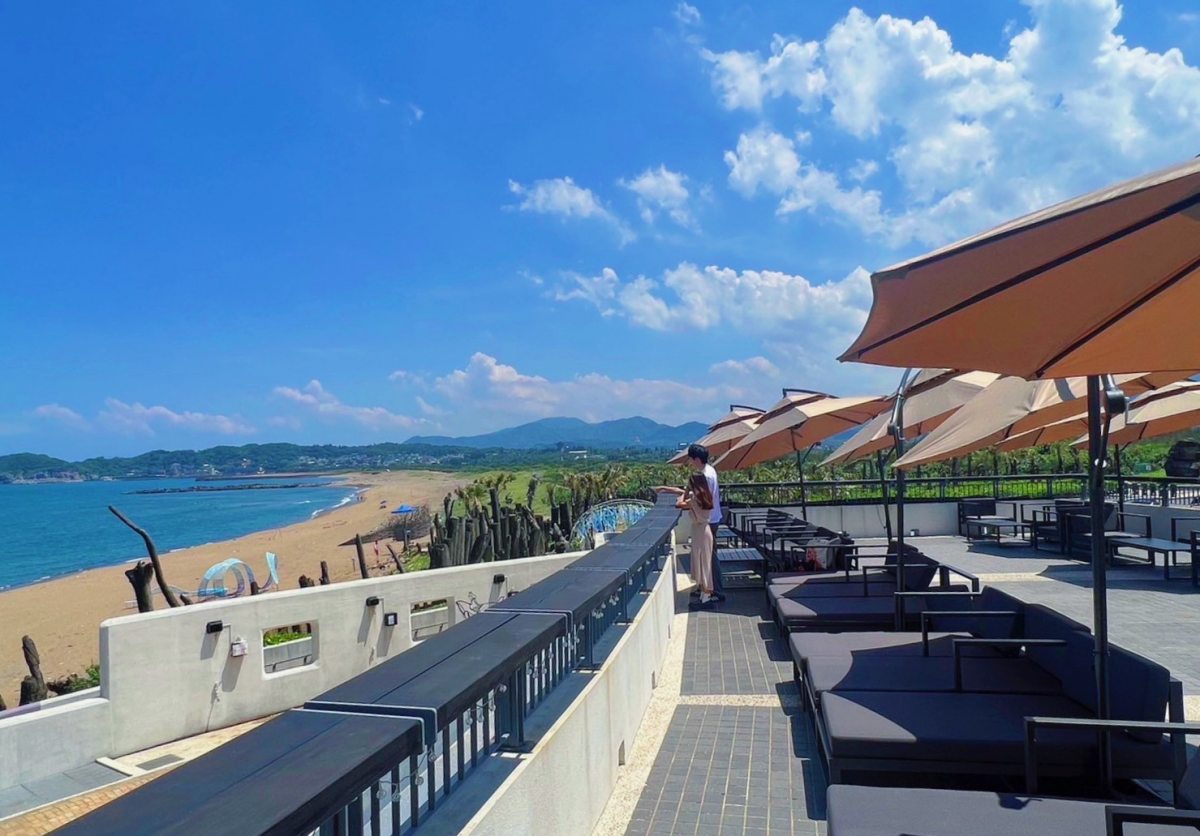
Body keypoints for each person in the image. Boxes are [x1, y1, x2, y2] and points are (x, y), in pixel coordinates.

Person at [686, 443, 725, 601]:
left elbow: (704, 502)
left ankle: (716, 591)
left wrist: (690, 501)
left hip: (708, 520)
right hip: (711, 518)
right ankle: (708, 589)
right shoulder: (709, 471)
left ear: (696, 459)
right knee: (707, 556)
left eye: (691, 459)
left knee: (709, 557)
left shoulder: (706, 476)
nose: (690, 462)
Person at [676, 471, 716, 605]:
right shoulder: (706, 497)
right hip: (704, 530)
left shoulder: (694, 499)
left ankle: (706, 595)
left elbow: (679, 503)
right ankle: (705, 593)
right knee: (704, 562)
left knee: (702, 563)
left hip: (700, 532)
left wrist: (685, 491)